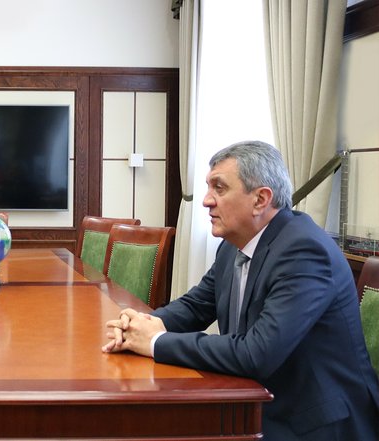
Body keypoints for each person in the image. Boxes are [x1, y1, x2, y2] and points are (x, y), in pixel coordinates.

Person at [103, 140, 379, 440]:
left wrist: (156, 341)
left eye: (219, 188)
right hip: (255, 399)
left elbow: (257, 353)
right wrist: (143, 324)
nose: (206, 201)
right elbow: (196, 305)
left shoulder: (303, 250)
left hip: (312, 423)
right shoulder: (232, 246)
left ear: (261, 199)